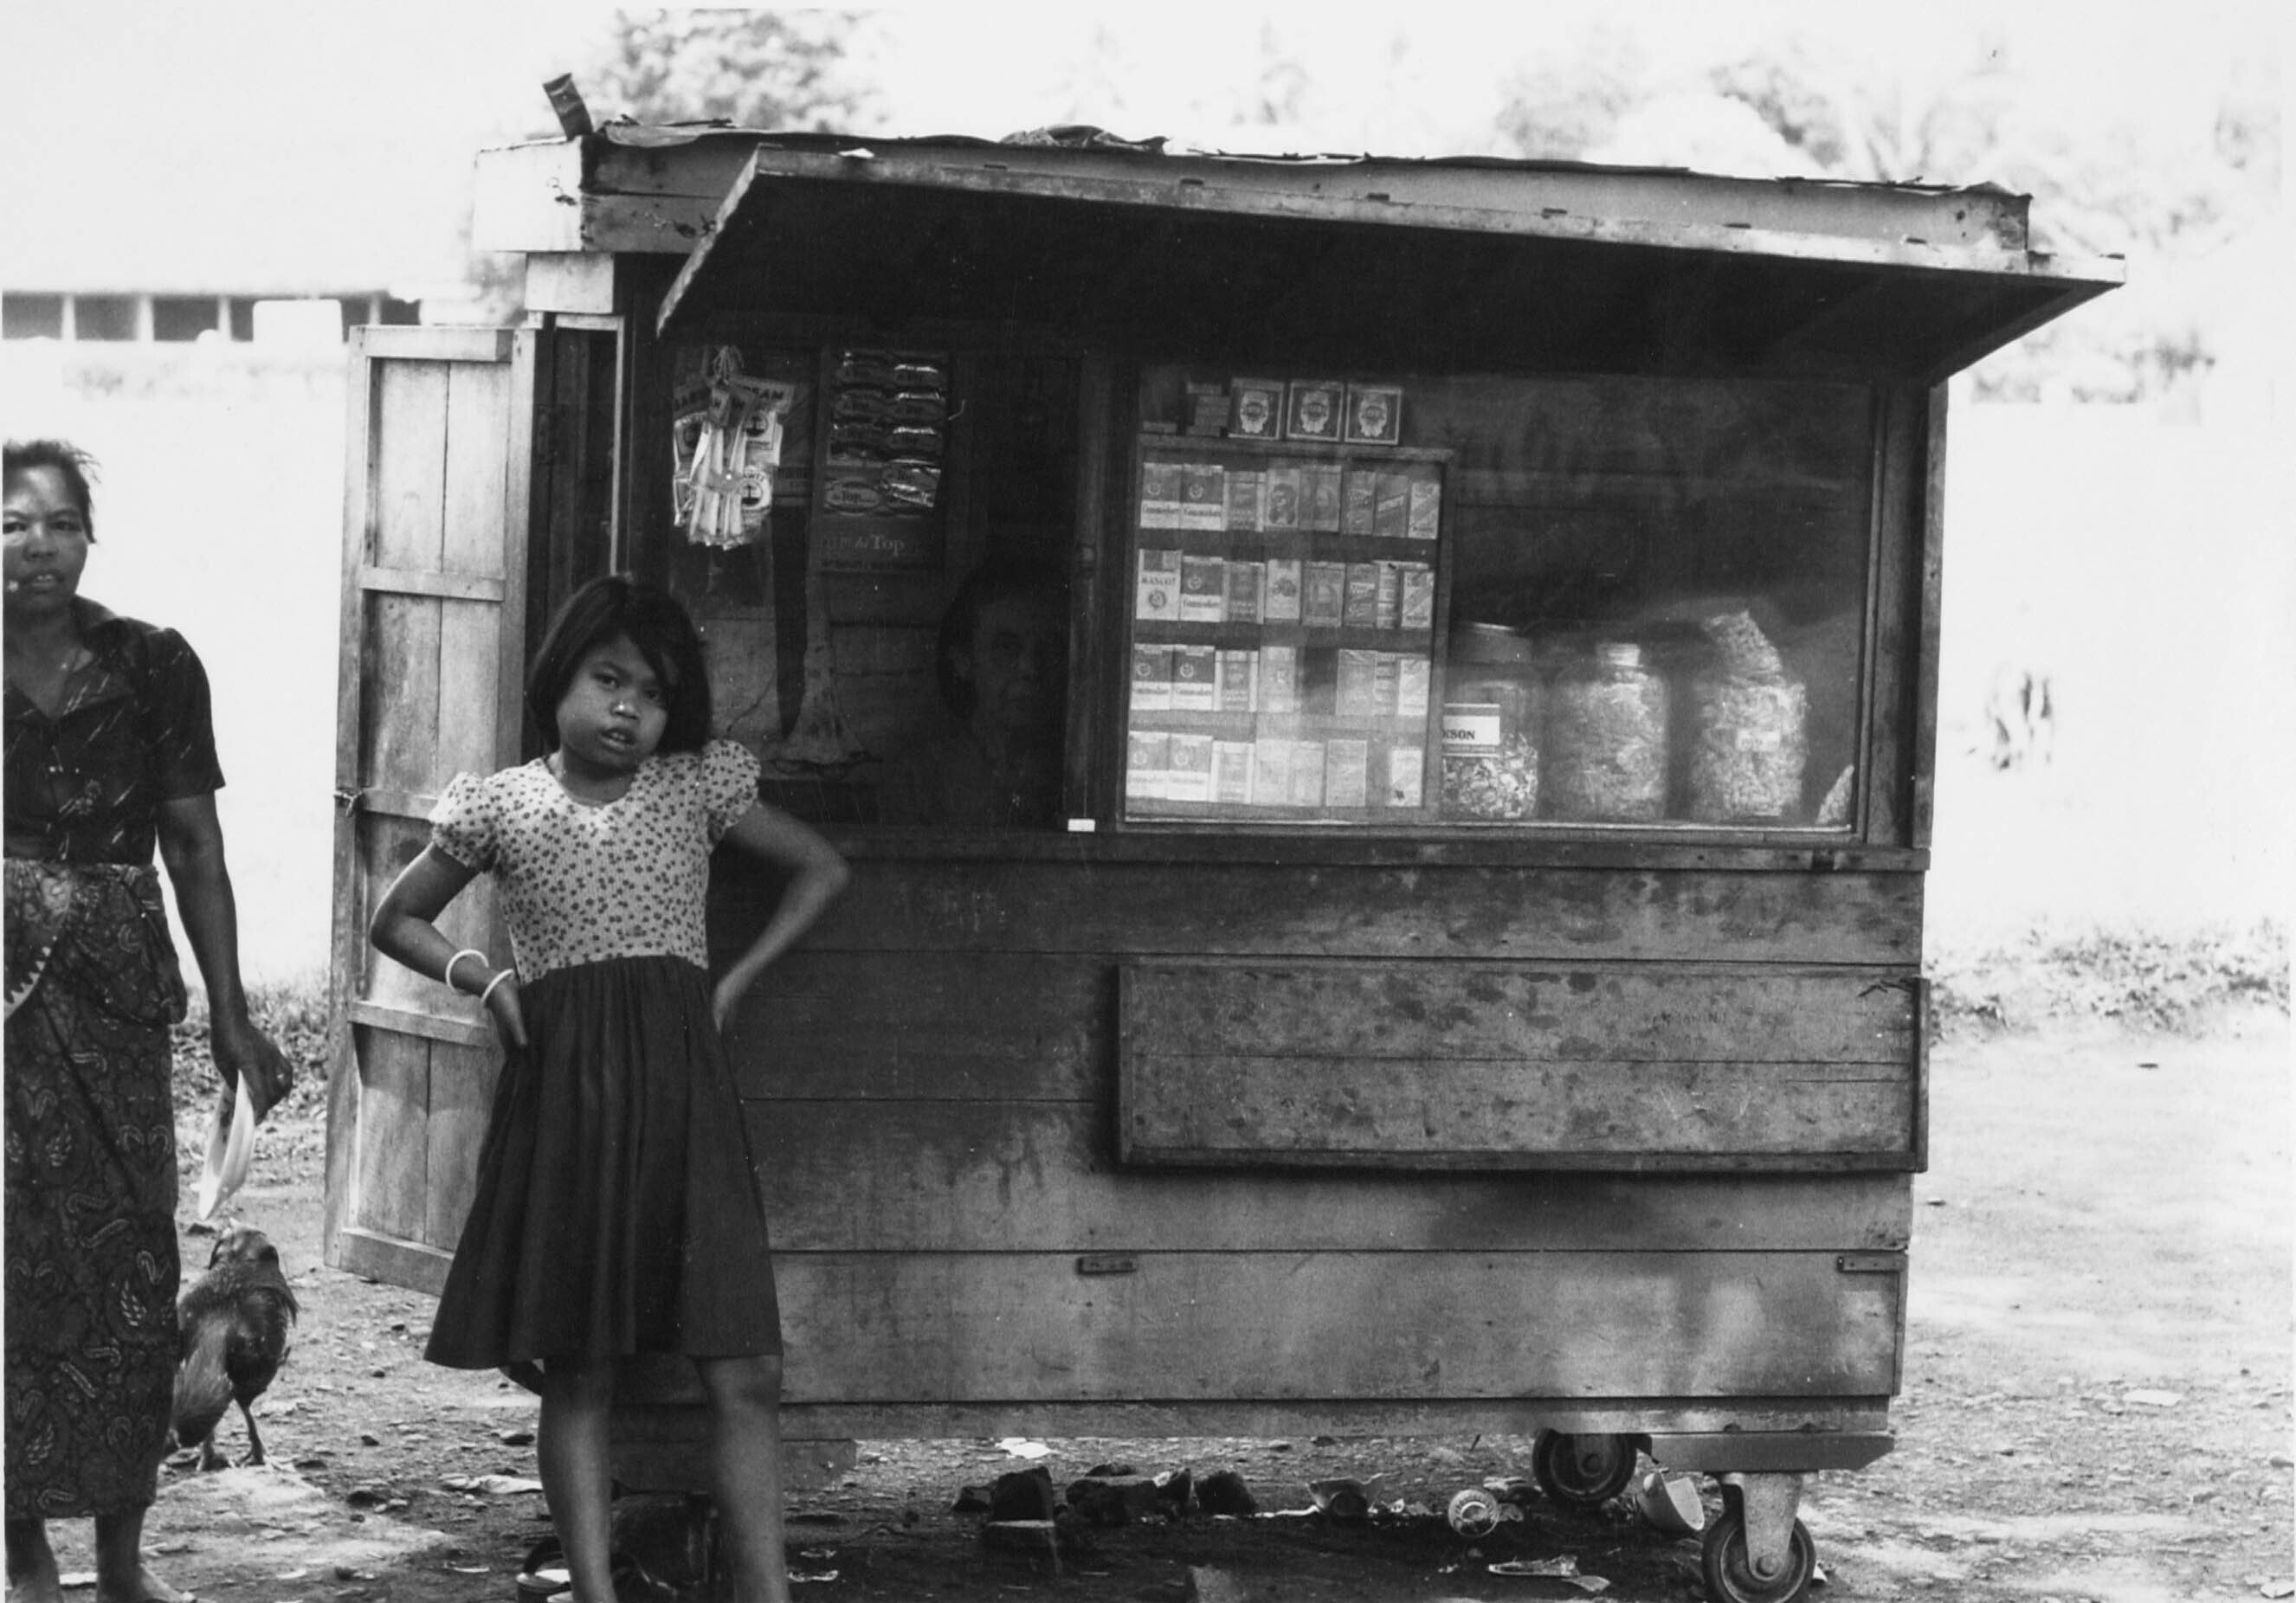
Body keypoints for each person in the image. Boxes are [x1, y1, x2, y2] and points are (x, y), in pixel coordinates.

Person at [367, 575, 848, 1603]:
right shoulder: (500, 804)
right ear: (560, 677)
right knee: (580, 1368)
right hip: (570, 1106)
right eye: (609, 678)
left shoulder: (696, 787)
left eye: (655, 693)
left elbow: (821, 868)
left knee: (745, 1368)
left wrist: (734, 985)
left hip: (684, 1102)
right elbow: (396, 918)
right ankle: (595, 1592)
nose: (628, 708)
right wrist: (483, 977)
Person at [5, 437, 293, 1603]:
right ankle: (23, 1556)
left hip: (118, 995)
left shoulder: (154, 664)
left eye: (59, 522)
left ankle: (122, 1559)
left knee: (130, 1263)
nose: (36, 544)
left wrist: (232, 1015)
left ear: (90, 536)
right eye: (10, 523)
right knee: (12, 1268)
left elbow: (195, 847)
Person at [876, 563, 1067, 827]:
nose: (1030, 668)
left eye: (1047, 647)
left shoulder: (1072, 773)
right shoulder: (919, 775)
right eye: (1007, 648)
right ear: (964, 661)